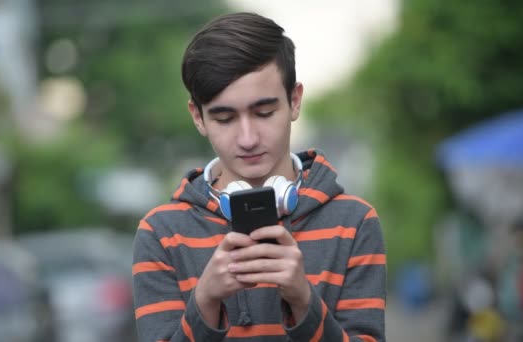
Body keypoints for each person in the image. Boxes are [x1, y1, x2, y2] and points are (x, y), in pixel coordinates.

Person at [132, 12, 386, 341]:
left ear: (295, 101)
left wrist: (303, 300)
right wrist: (206, 301)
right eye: (225, 118)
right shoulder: (160, 234)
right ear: (198, 117)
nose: (248, 138)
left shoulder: (355, 223)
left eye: (264, 113)